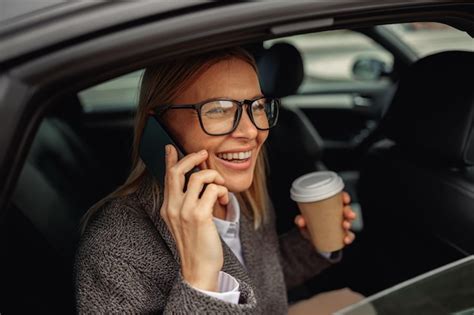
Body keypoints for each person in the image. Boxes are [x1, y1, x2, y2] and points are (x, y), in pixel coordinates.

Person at [75, 47, 357, 314]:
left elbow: (258, 281)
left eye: (257, 106)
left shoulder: (243, 196)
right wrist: (201, 280)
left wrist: (310, 243)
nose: (250, 131)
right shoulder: (113, 247)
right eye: (219, 109)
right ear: (158, 125)